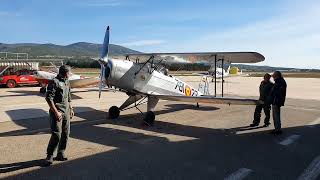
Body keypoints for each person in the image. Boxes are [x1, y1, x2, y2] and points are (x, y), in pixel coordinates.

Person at [45, 65, 74, 165]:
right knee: (57, 134)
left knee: (66, 133)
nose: (70, 74)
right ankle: (49, 155)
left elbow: (68, 97)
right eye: (69, 72)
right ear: (65, 72)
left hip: (66, 112)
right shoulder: (54, 82)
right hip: (57, 112)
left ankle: (61, 152)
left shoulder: (67, 81)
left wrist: (71, 108)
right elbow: (49, 98)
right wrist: (56, 112)